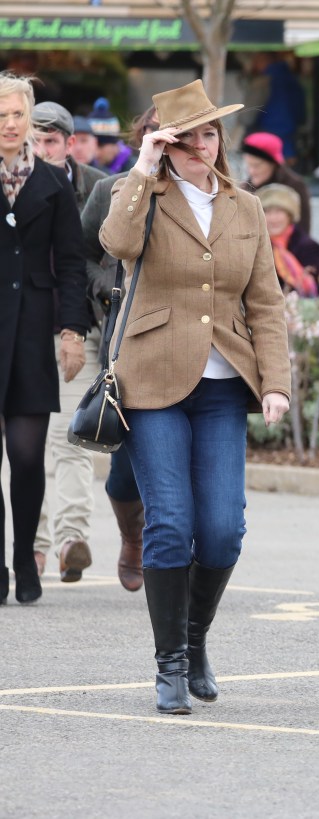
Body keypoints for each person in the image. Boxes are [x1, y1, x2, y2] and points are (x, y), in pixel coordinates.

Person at [99, 79, 291, 714]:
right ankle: (170, 664)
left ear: (220, 140)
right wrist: (144, 167)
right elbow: (117, 245)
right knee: (172, 524)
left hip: (221, 387)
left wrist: (276, 384)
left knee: (221, 532)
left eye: (207, 135)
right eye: (183, 139)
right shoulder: (143, 196)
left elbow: (265, 303)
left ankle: (196, 637)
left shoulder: (246, 207)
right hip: (153, 380)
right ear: (164, 144)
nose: (198, 147)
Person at [0, 71, 88, 605]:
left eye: (16, 115)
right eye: (0, 116)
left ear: (29, 117)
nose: (8, 125)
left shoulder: (54, 183)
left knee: (27, 456)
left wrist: (72, 330)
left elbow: (73, 264)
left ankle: (23, 556)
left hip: (33, 329)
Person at [79, 104, 161, 593]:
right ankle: (133, 534)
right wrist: (105, 287)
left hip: (191, 343)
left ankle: (173, 547)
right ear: (139, 137)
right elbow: (86, 251)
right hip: (126, 336)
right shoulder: (108, 190)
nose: (162, 140)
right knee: (125, 465)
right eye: (153, 131)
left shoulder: (211, 194)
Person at [30, 101, 107, 581]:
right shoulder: (9, 183)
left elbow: (107, 256)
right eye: (32, 142)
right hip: (21, 329)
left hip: (82, 328)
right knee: (25, 443)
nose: (40, 151)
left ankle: (71, 540)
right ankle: (32, 545)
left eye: (50, 142)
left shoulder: (98, 188)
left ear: (70, 144)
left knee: (71, 438)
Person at [256, 183, 319, 296]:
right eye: (267, 212)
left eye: (279, 212)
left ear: (290, 216)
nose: (273, 218)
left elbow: (310, 285)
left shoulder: (307, 246)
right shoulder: (255, 244)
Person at [241, 131, 311, 234]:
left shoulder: (295, 186)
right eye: (248, 165)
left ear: (274, 164)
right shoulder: (245, 189)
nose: (251, 171)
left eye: (257, 166)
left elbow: (303, 230)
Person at [88, 97, 136, 174]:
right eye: (92, 145)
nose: (96, 152)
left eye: (100, 145)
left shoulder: (135, 169)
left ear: (115, 143)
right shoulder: (91, 168)